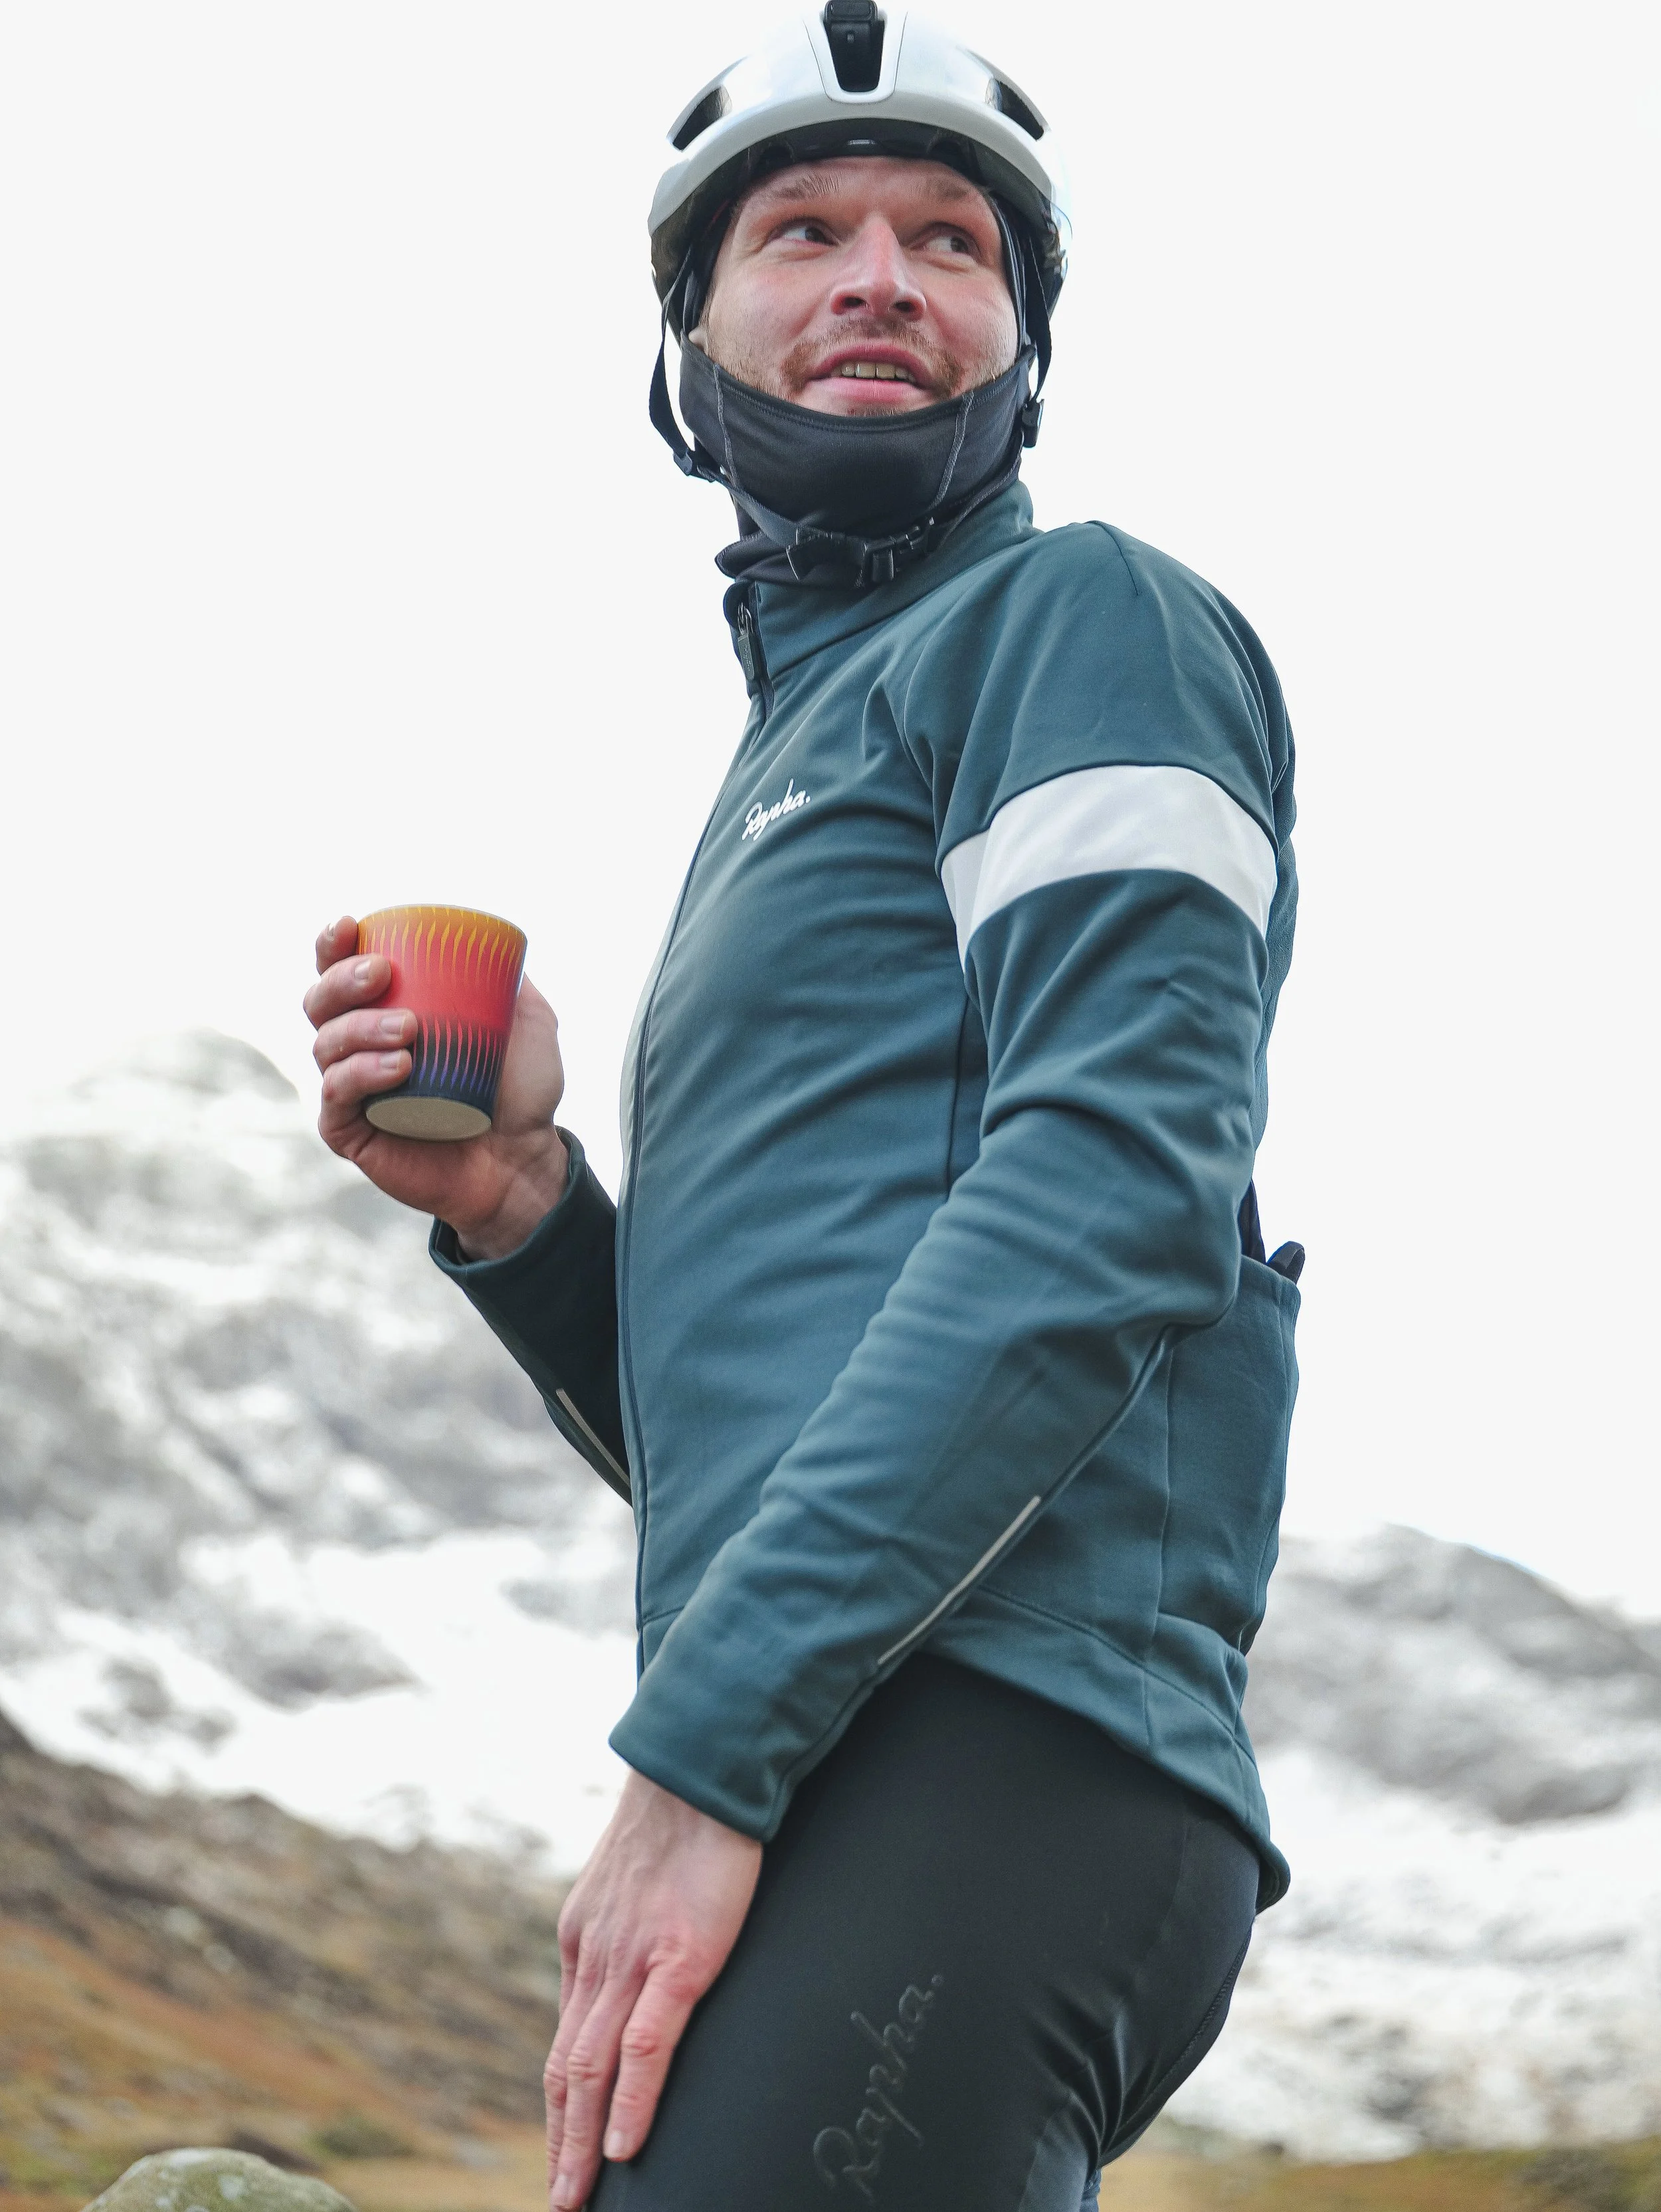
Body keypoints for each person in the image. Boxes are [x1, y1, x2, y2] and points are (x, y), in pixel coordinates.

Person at [304, 8, 1304, 2206]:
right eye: (804, 233)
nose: (878, 275)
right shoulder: (781, 775)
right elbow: (740, 1433)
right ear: (688, 345)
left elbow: (1120, 1182)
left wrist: (697, 1756)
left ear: (1017, 346)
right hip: (869, 1737)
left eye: (951, 242)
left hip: (998, 1740)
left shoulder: (1081, 624)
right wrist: (527, 1211)